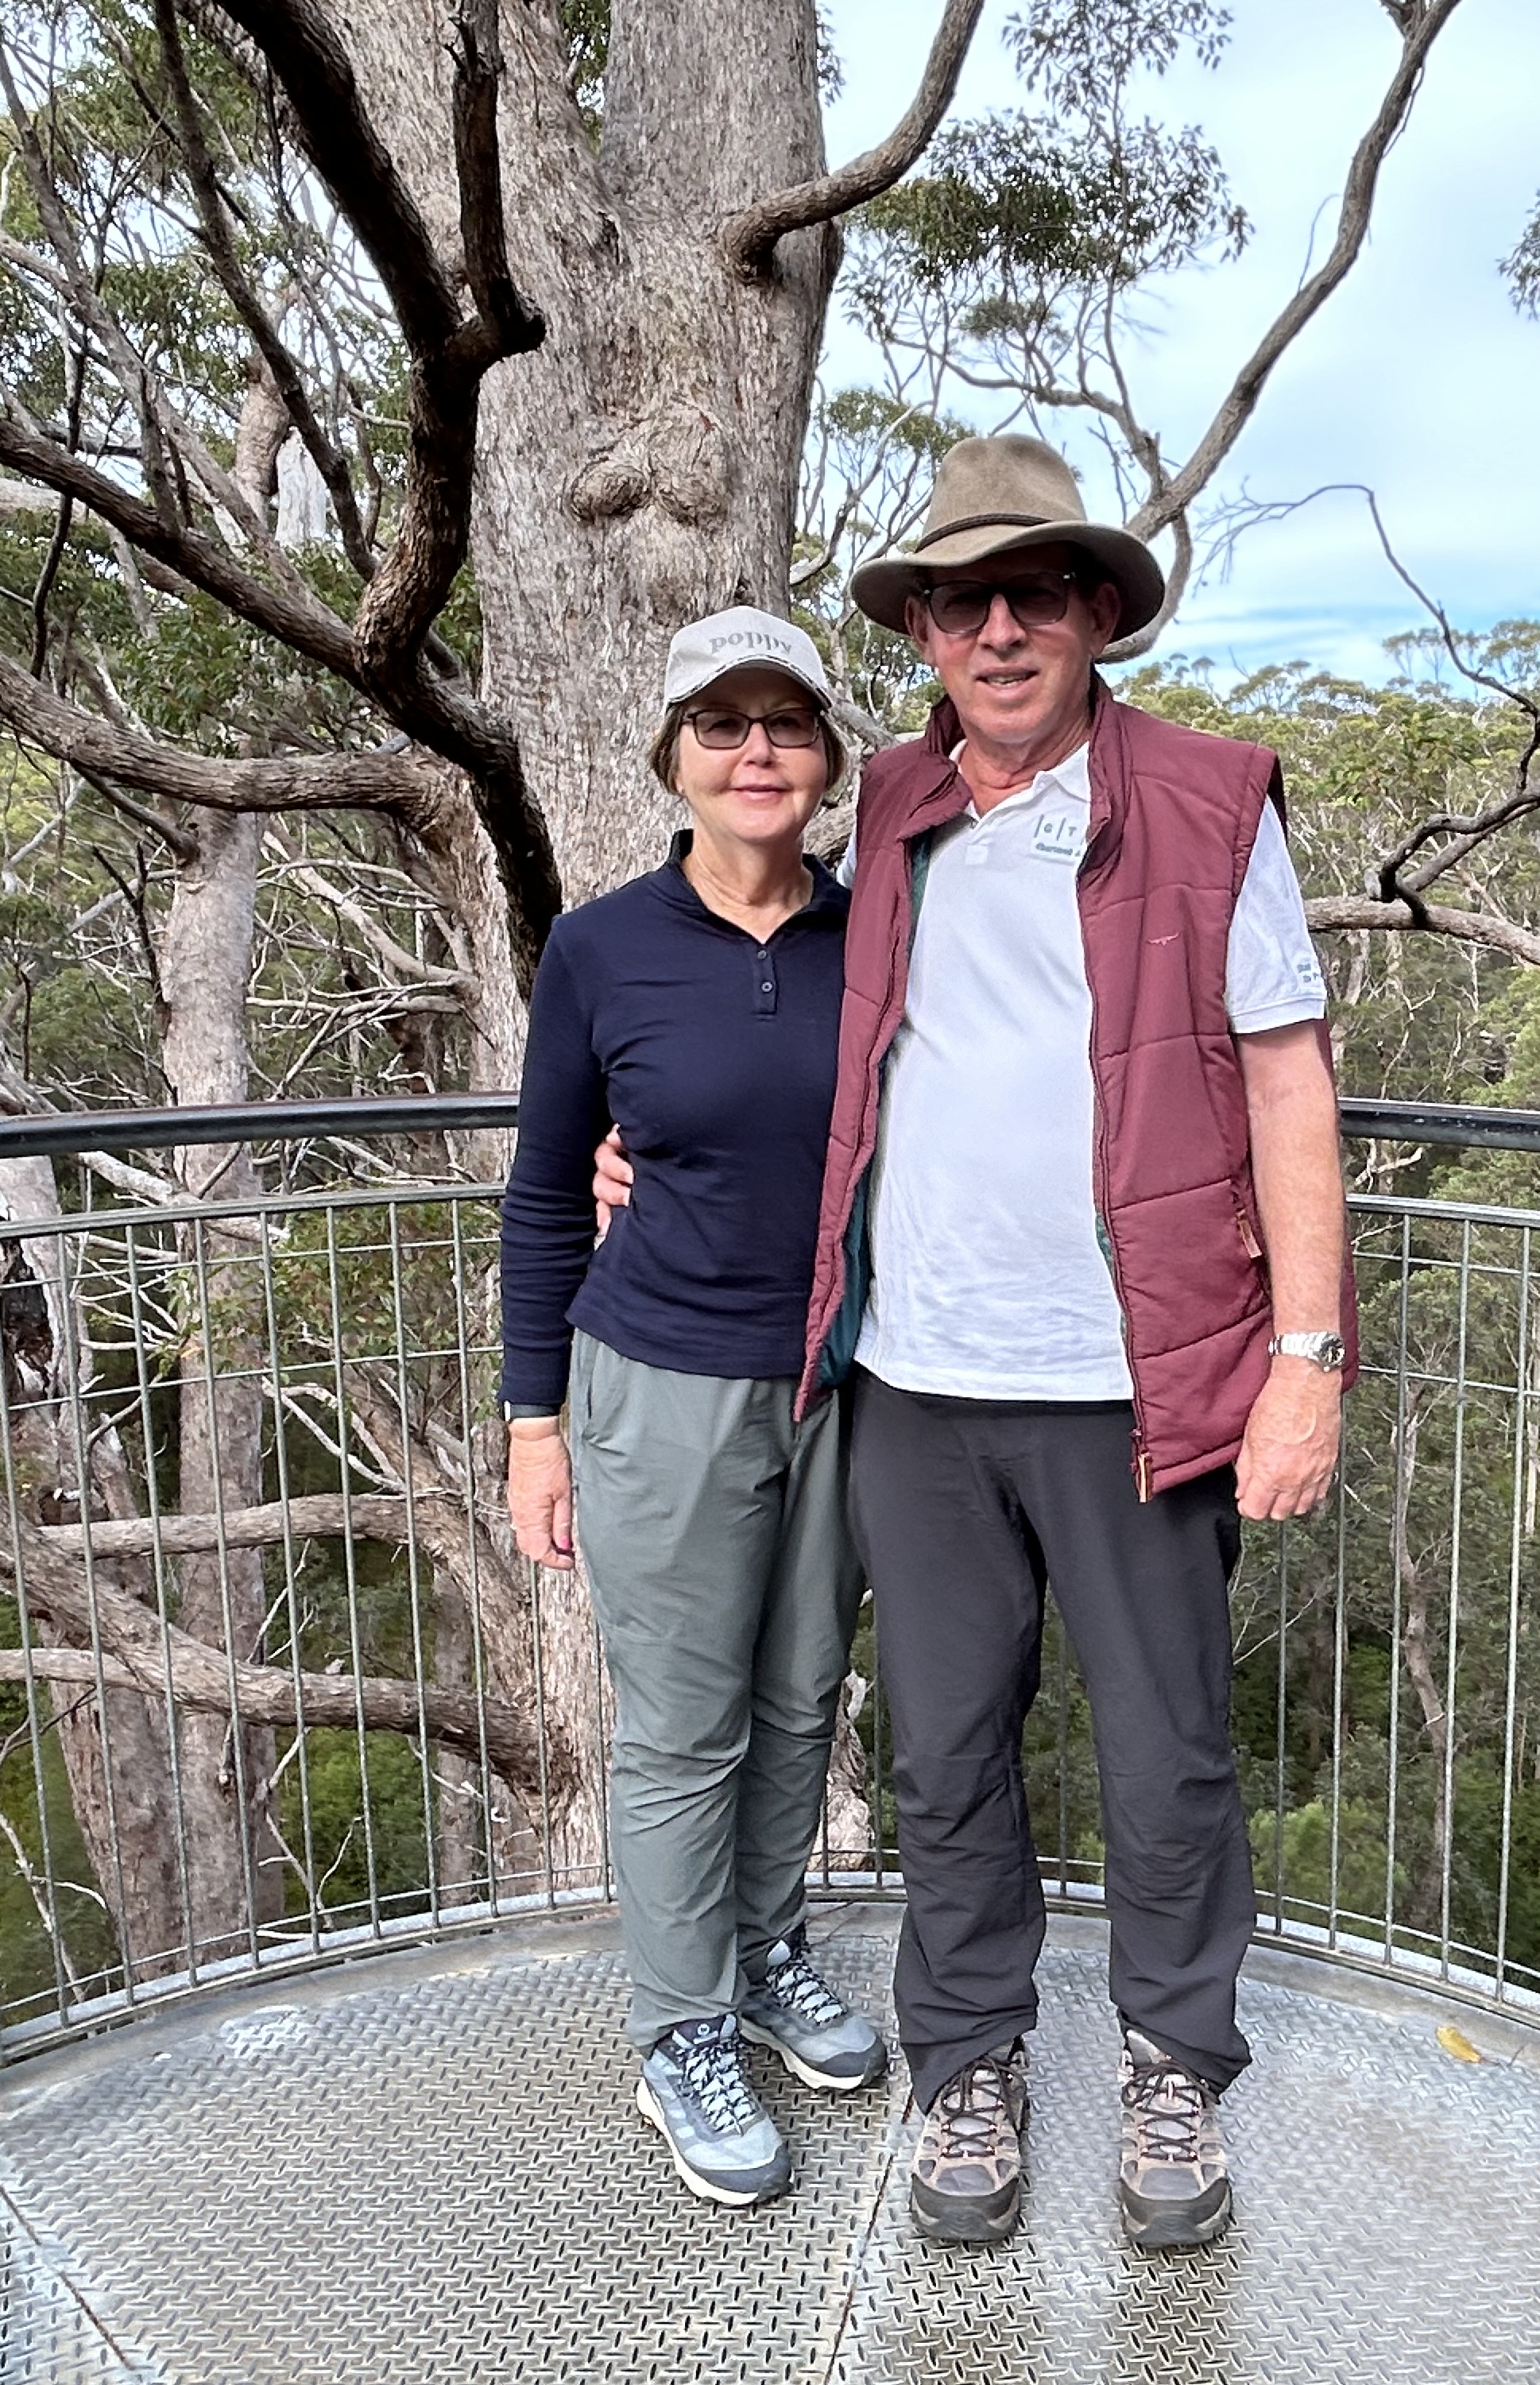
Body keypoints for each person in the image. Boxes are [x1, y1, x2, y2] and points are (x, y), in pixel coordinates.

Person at [807, 434, 1356, 2249]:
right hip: (915, 1382)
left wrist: (1305, 1360)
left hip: (1138, 1383)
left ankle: (1174, 2062)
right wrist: (630, 1140)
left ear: (1096, 612)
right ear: (924, 633)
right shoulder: (891, 806)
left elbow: (1287, 1080)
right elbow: (800, 1010)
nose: (999, 629)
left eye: (1033, 593)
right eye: (962, 601)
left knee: (1166, 1750)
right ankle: (967, 2060)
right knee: (945, 1749)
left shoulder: (1207, 802)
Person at [497, 606, 884, 2209]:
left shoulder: (881, 936)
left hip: (839, 1384)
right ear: (674, 759)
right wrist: (533, 1426)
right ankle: (681, 2031)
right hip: (657, 1385)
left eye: (786, 723)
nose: (756, 752)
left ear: (828, 759)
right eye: (722, 726)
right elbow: (544, 1193)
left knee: (800, 1701)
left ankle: (764, 1947)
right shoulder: (602, 950)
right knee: (680, 1728)